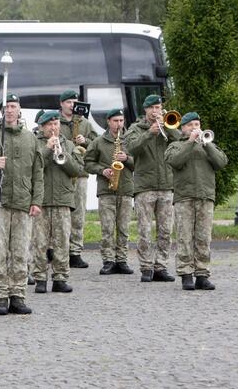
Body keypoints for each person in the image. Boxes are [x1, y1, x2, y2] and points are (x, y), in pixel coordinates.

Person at [0, 93, 43, 314]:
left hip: (23, 203)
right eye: (6, 107)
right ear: (1, 111)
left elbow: (38, 172)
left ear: (19, 109)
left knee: (21, 252)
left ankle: (18, 295)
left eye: (13, 106)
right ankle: (1, 296)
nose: (10, 110)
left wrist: (36, 200)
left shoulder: (30, 138)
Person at [164, 112, 228, 291]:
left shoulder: (208, 144)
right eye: (191, 125)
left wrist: (207, 145)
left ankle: (202, 274)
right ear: (183, 128)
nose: (195, 128)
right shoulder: (175, 146)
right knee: (185, 237)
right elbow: (175, 162)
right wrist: (191, 142)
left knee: (203, 238)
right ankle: (186, 274)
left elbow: (222, 162)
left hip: (205, 196)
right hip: (184, 197)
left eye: (197, 124)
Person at [124, 95, 178, 283]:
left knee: (165, 231)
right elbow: (130, 149)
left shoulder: (168, 126)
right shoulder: (135, 129)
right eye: (152, 108)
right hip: (144, 187)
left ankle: (161, 267)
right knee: (145, 230)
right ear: (145, 110)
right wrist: (149, 133)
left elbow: (180, 142)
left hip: (167, 186)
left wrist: (168, 128)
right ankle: (146, 267)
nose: (156, 111)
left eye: (159, 107)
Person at [32, 110, 82, 294]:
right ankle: (39, 278)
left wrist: (63, 155)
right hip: (41, 199)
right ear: (42, 127)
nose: (54, 128)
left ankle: (60, 278)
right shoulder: (35, 143)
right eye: (50, 125)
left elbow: (77, 169)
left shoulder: (68, 144)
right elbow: (31, 167)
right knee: (40, 242)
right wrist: (47, 150)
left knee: (62, 241)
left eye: (56, 124)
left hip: (63, 198)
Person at [84, 108, 135, 275]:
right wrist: (102, 170)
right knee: (107, 228)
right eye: (115, 121)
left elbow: (141, 164)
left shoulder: (130, 140)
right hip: (106, 190)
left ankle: (122, 260)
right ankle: (108, 260)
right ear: (108, 122)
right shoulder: (99, 141)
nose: (119, 124)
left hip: (126, 189)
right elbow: (88, 163)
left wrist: (126, 159)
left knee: (123, 228)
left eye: (121, 121)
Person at [57, 90, 97, 269]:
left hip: (79, 172)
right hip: (59, 172)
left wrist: (86, 141)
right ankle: (55, 249)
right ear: (61, 104)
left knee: (78, 213)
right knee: (57, 212)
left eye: (74, 102)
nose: (72, 105)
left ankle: (75, 252)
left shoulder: (85, 123)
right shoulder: (54, 121)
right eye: (68, 102)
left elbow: (97, 145)